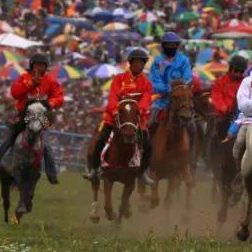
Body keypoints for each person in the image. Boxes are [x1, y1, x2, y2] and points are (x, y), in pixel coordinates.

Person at [0, 52, 64, 184]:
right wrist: (31, 84)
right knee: (12, 138)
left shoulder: (50, 80)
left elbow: (59, 97)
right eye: (37, 65)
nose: (39, 67)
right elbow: (15, 93)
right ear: (32, 66)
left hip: (42, 116)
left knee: (46, 145)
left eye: (42, 65)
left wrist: (51, 103)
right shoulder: (24, 78)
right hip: (25, 115)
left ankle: (52, 174)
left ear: (46, 67)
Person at [84, 47, 152, 180]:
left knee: (148, 145)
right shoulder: (118, 79)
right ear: (130, 63)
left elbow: (146, 99)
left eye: (142, 62)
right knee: (99, 141)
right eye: (137, 62)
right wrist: (115, 112)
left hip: (135, 118)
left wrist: (139, 110)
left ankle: (143, 172)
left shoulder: (146, 83)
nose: (139, 65)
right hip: (115, 118)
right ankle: (95, 169)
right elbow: (112, 98)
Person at [146, 32, 197, 183]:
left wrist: (179, 89)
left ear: (177, 46)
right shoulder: (158, 61)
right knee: (149, 125)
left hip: (181, 101)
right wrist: (169, 89)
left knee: (193, 128)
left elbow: (187, 78)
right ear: (163, 46)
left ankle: (191, 161)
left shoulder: (184, 60)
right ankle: (145, 161)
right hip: (161, 102)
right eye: (167, 45)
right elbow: (154, 82)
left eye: (173, 45)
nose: (170, 48)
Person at [229, 51, 252, 163]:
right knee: (240, 142)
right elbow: (241, 101)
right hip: (250, 120)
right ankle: (237, 169)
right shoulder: (247, 81)